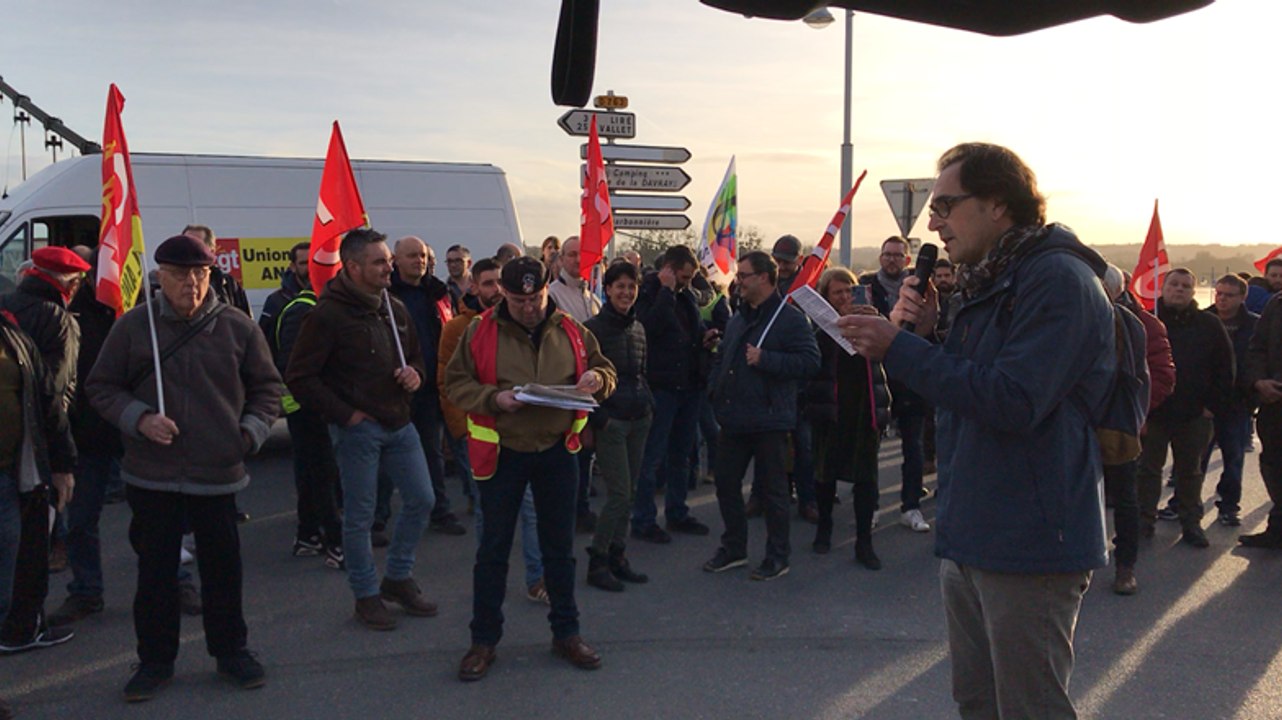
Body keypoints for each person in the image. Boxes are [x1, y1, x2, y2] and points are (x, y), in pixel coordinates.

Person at [839, 142, 1114, 719]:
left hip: (1029, 539)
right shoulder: (991, 279)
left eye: (945, 205)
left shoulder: (1056, 279)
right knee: (978, 702)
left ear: (997, 204)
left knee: (1029, 708)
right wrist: (932, 334)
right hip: (974, 527)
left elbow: (1014, 401)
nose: (933, 223)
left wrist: (901, 348)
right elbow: (973, 383)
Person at [86, 234, 279, 701]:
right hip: (151, 474)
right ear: (160, 277)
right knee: (156, 574)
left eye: (199, 273)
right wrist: (140, 419)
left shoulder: (237, 327)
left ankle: (231, 652)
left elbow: (268, 389)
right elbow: (101, 386)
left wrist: (248, 434)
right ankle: (154, 661)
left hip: (218, 472)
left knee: (223, 570)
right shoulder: (135, 327)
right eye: (179, 274)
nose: (190, 283)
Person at [445, 256, 617, 681]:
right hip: (503, 453)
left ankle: (567, 633)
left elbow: (605, 369)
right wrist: (494, 399)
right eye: (518, 300)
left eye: (535, 298)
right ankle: (483, 641)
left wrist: (597, 381)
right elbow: (455, 383)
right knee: (493, 551)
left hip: (557, 451)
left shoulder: (571, 329)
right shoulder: (479, 331)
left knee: (559, 550)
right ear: (503, 294)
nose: (528, 307)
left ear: (546, 290)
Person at [285, 228, 439, 631]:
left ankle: (398, 577)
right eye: (379, 261)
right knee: (360, 517)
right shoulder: (327, 315)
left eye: (388, 260)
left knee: (422, 499)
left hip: (399, 422)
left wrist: (416, 374)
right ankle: (366, 595)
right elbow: (300, 377)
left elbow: (418, 358)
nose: (389, 267)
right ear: (353, 267)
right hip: (359, 431)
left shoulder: (394, 307)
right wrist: (345, 415)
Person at [438, 259, 551, 603]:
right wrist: (460, 429)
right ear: (474, 286)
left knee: (531, 511)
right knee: (489, 518)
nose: (494, 290)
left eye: (497, 283)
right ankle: (488, 579)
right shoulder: (462, 328)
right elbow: (449, 381)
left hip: (523, 441)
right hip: (482, 440)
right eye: (487, 283)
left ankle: (537, 578)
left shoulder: (528, 325)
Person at [703, 251, 820, 582]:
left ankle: (777, 555)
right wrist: (715, 387)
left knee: (774, 492)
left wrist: (767, 359)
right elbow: (725, 356)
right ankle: (734, 547)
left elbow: (810, 362)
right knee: (726, 484)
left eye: (744, 275)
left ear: (764, 278)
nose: (738, 281)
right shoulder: (739, 317)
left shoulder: (790, 319)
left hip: (770, 419)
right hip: (734, 417)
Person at [0, 246, 88, 652]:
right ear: (69, 283)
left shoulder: (10, 311)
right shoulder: (56, 318)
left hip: (16, 449)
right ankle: (21, 626)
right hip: (31, 452)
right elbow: (55, 392)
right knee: (28, 543)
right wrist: (62, 455)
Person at [0, 305, 76, 720]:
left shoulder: (13, 336)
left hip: (9, 481)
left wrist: (62, 466)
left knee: (4, 591)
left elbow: (47, 403)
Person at [47, 247, 125, 626]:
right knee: (80, 521)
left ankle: (175, 582)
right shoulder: (70, 315)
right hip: (88, 435)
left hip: (136, 432)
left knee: (159, 518)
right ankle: (86, 591)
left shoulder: (137, 312)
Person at [1136, 268, 1233, 547]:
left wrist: (1212, 406)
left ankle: (1191, 523)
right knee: (1148, 470)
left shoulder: (1209, 324)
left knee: (1190, 472)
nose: (1179, 289)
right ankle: (1143, 521)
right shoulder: (1147, 322)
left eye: (1185, 286)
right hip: (1154, 412)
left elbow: (1225, 367)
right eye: (1174, 284)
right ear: (1163, 287)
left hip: (1194, 414)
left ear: (1193, 291)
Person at [807, 268, 890, 569]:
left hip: (864, 409)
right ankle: (824, 528)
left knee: (866, 479)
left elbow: (889, 353)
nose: (844, 298)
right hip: (831, 409)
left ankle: (864, 542)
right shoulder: (820, 330)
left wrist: (876, 322)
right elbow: (811, 364)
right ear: (826, 298)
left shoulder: (871, 323)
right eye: (837, 293)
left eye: (848, 291)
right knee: (825, 475)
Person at [632, 245, 713, 543]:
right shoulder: (648, 294)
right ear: (668, 270)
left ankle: (677, 512)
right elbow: (650, 328)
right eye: (683, 277)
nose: (687, 283)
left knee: (682, 453)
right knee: (653, 455)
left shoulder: (686, 296)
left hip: (688, 385)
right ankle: (643, 519)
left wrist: (704, 337)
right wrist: (665, 291)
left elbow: (690, 331)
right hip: (662, 386)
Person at [387, 236, 465, 537]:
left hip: (431, 385)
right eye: (411, 256)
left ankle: (440, 511)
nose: (418, 261)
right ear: (396, 260)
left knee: (432, 452)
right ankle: (379, 517)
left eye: (422, 255)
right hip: (396, 387)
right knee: (387, 456)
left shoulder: (437, 293)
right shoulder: (386, 294)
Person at [583, 261, 652, 591]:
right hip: (611, 422)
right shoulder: (592, 330)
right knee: (619, 494)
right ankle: (597, 560)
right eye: (620, 286)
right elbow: (581, 380)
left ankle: (617, 555)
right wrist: (600, 420)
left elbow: (641, 371)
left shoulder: (638, 328)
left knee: (630, 493)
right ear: (607, 289)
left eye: (631, 286)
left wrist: (649, 405)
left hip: (639, 418)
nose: (626, 292)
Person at [273, 254, 344, 569]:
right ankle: (333, 542)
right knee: (322, 474)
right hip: (307, 408)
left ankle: (309, 536)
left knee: (314, 473)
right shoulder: (302, 310)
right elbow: (293, 366)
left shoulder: (318, 307)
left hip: (316, 406)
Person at [860, 236, 931, 533]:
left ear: (907, 259)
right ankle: (870, 506)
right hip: (877, 377)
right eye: (887, 254)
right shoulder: (866, 287)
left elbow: (929, 327)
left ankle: (911, 506)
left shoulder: (920, 288)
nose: (891, 259)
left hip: (911, 378)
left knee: (913, 446)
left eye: (897, 255)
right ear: (880, 257)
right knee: (871, 448)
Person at [545, 236, 603, 532]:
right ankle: (569, 511)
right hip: (566, 386)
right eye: (571, 255)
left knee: (585, 453)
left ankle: (580, 507)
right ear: (560, 260)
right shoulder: (553, 296)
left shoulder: (592, 296)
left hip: (590, 385)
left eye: (583, 254)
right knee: (569, 455)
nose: (578, 260)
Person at [1199, 274, 1258, 527]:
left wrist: (1251, 393)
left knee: (1233, 458)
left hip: (1237, 403)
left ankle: (1229, 505)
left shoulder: (1254, 325)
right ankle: (1183, 504)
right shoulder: (1203, 320)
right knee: (1195, 459)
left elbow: (1256, 362)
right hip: (1205, 403)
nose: (1222, 299)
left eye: (1229, 295)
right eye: (1219, 293)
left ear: (1243, 297)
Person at [1243, 291, 1282, 548]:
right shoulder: (1276, 304)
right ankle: (1277, 530)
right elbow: (1257, 348)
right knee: (1273, 465)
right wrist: (1259, 381)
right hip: (1274, 404)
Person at [182, 225, 251, 318]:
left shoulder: (228, 284)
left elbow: (246, 322)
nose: (190, 250)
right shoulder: (170, 282)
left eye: (197, 245)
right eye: (185, 245)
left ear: (212, 251)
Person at [257, 241, 309, 344]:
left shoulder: (327, 296)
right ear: (293, 267)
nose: (309, 268)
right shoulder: (276, 301)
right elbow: (264, 342)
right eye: (303, 263)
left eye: (312, 262)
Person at [446, 244, 481, 313]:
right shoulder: (442, 288)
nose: (453, 265)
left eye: (458, 261)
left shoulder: (480, 284)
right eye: (449, 261)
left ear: (469, 263)